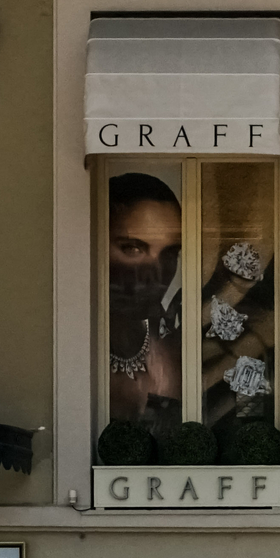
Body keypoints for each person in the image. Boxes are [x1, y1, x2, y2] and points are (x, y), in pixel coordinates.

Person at [103, 173, 184, 436]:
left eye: (170, 253)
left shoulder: (177, 350)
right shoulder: (68, 349)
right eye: (133, 249)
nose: (157, 274)